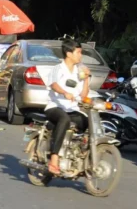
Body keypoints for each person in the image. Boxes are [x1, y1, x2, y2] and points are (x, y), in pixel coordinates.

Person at [44, 39, 90, 175]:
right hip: (55, 107)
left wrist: (87, 78)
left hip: (72, 109)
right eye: (78, 52)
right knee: (64, 119)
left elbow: (83, 95)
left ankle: (79, 152)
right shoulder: (57, 69)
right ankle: (54, 157)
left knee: (87, 121)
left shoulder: (79, 72)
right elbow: (53, 85)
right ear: (69, 53)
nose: (80, 55)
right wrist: (64, 93)